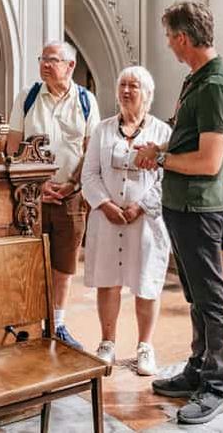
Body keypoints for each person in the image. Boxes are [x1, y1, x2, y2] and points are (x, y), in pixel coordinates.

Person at [135, 1, 223, 424]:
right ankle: (198, 368)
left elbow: (209, 162)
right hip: (182, 204)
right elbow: (188, 142)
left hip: (199, 207)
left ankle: (217, 386)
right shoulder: (196, 80)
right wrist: (162, 149)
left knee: (211, 297)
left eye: (169, 36)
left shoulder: (215, 85)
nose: (168, 44)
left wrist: (160, 161)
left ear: (182, 37)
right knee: (196, 293)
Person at [6, 40, 101, 350]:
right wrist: (37, 183)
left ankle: (57, 323)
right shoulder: (28, 97)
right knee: (29, 261)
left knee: (64, 262)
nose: (45, 64)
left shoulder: (87, 101)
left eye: (52, 60)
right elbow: (12, 146)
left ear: (70, 66)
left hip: (70, 196)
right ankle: (28, 324)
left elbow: (92, 151)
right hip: (29, 196)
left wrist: (73, 184)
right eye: (42, 59)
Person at [81, 66, 172, 376]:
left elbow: (167, 178)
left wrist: (140, 206)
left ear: (147, 94)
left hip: (145, 222)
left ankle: (145, 347)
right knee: (108, 281)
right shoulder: (103, 130)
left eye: (134, 86)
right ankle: (107, 342)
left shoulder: (161, 132)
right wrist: (105, 204)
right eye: (122, 85)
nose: (126, 91)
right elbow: (89, 173)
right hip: (107, 220)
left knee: (145, 282)